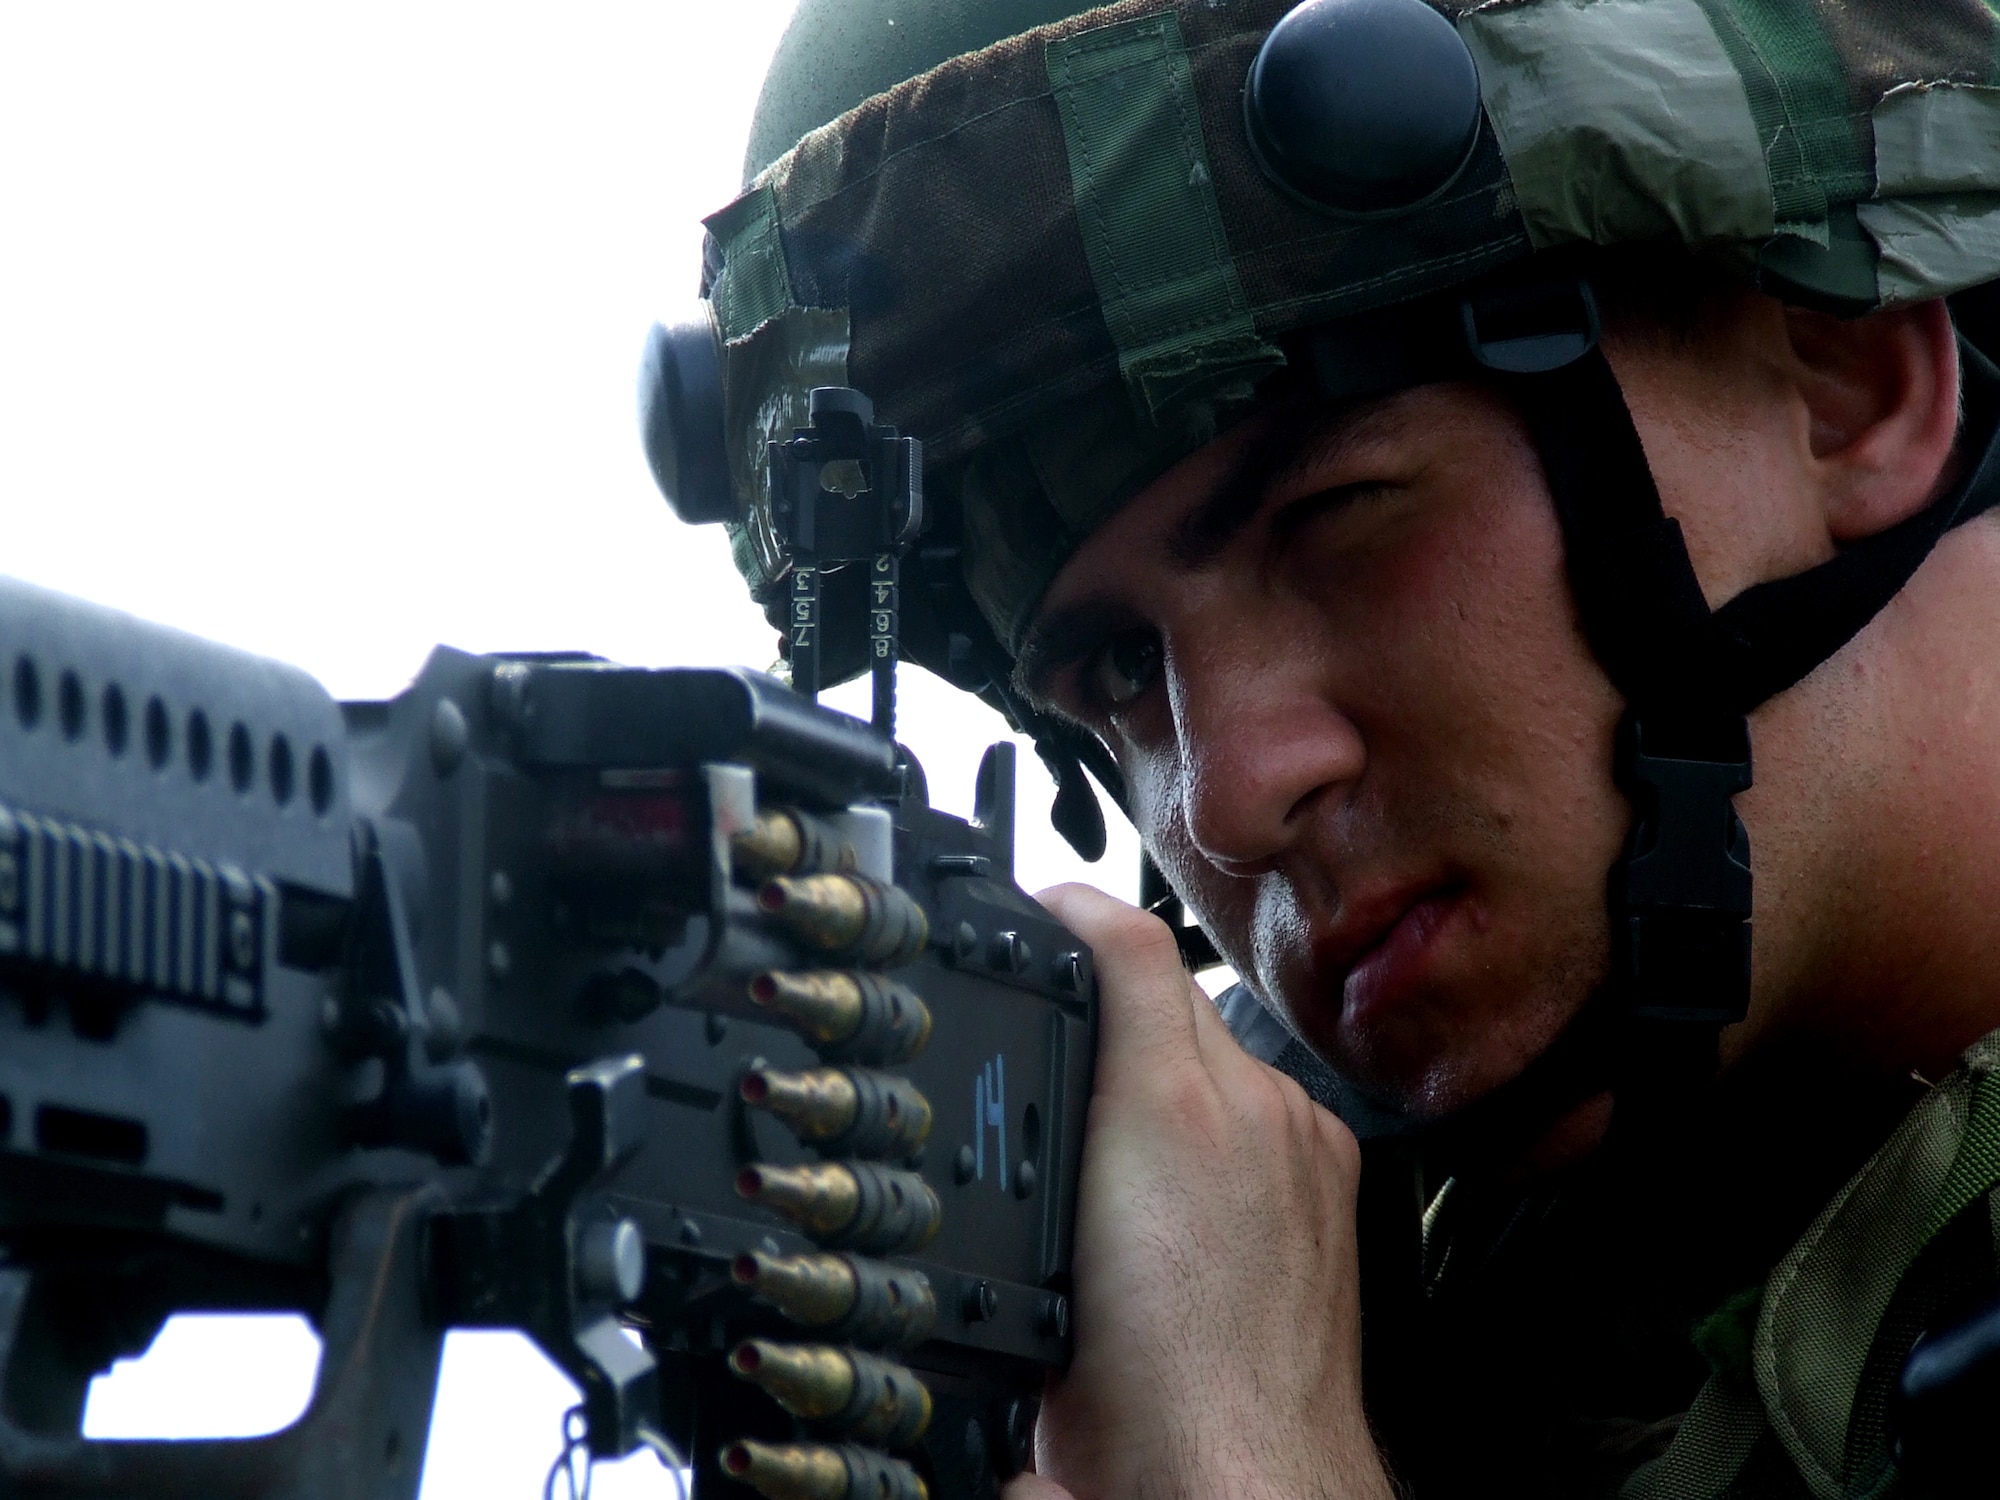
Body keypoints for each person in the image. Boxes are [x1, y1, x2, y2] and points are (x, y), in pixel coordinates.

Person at [657, 1, 2000, 1494]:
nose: (1227, 796)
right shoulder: (1264, 1257)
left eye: (1338, 515)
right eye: (1115, 670)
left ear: (1846, 382)